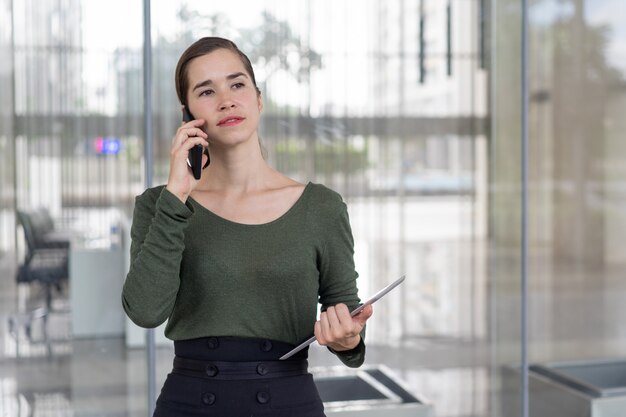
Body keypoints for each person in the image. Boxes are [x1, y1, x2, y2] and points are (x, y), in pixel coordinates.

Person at [121, 36, 373, 417]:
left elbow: (348, 322)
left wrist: (347, 337)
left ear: (258, 99)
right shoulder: (162, 204)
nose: (226, 100)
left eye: (237, 84)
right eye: (207, 91)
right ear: (188, 115)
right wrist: (177, 194)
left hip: (289, 402)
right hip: (190, 403)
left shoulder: (321, 207)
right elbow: (145, 312)